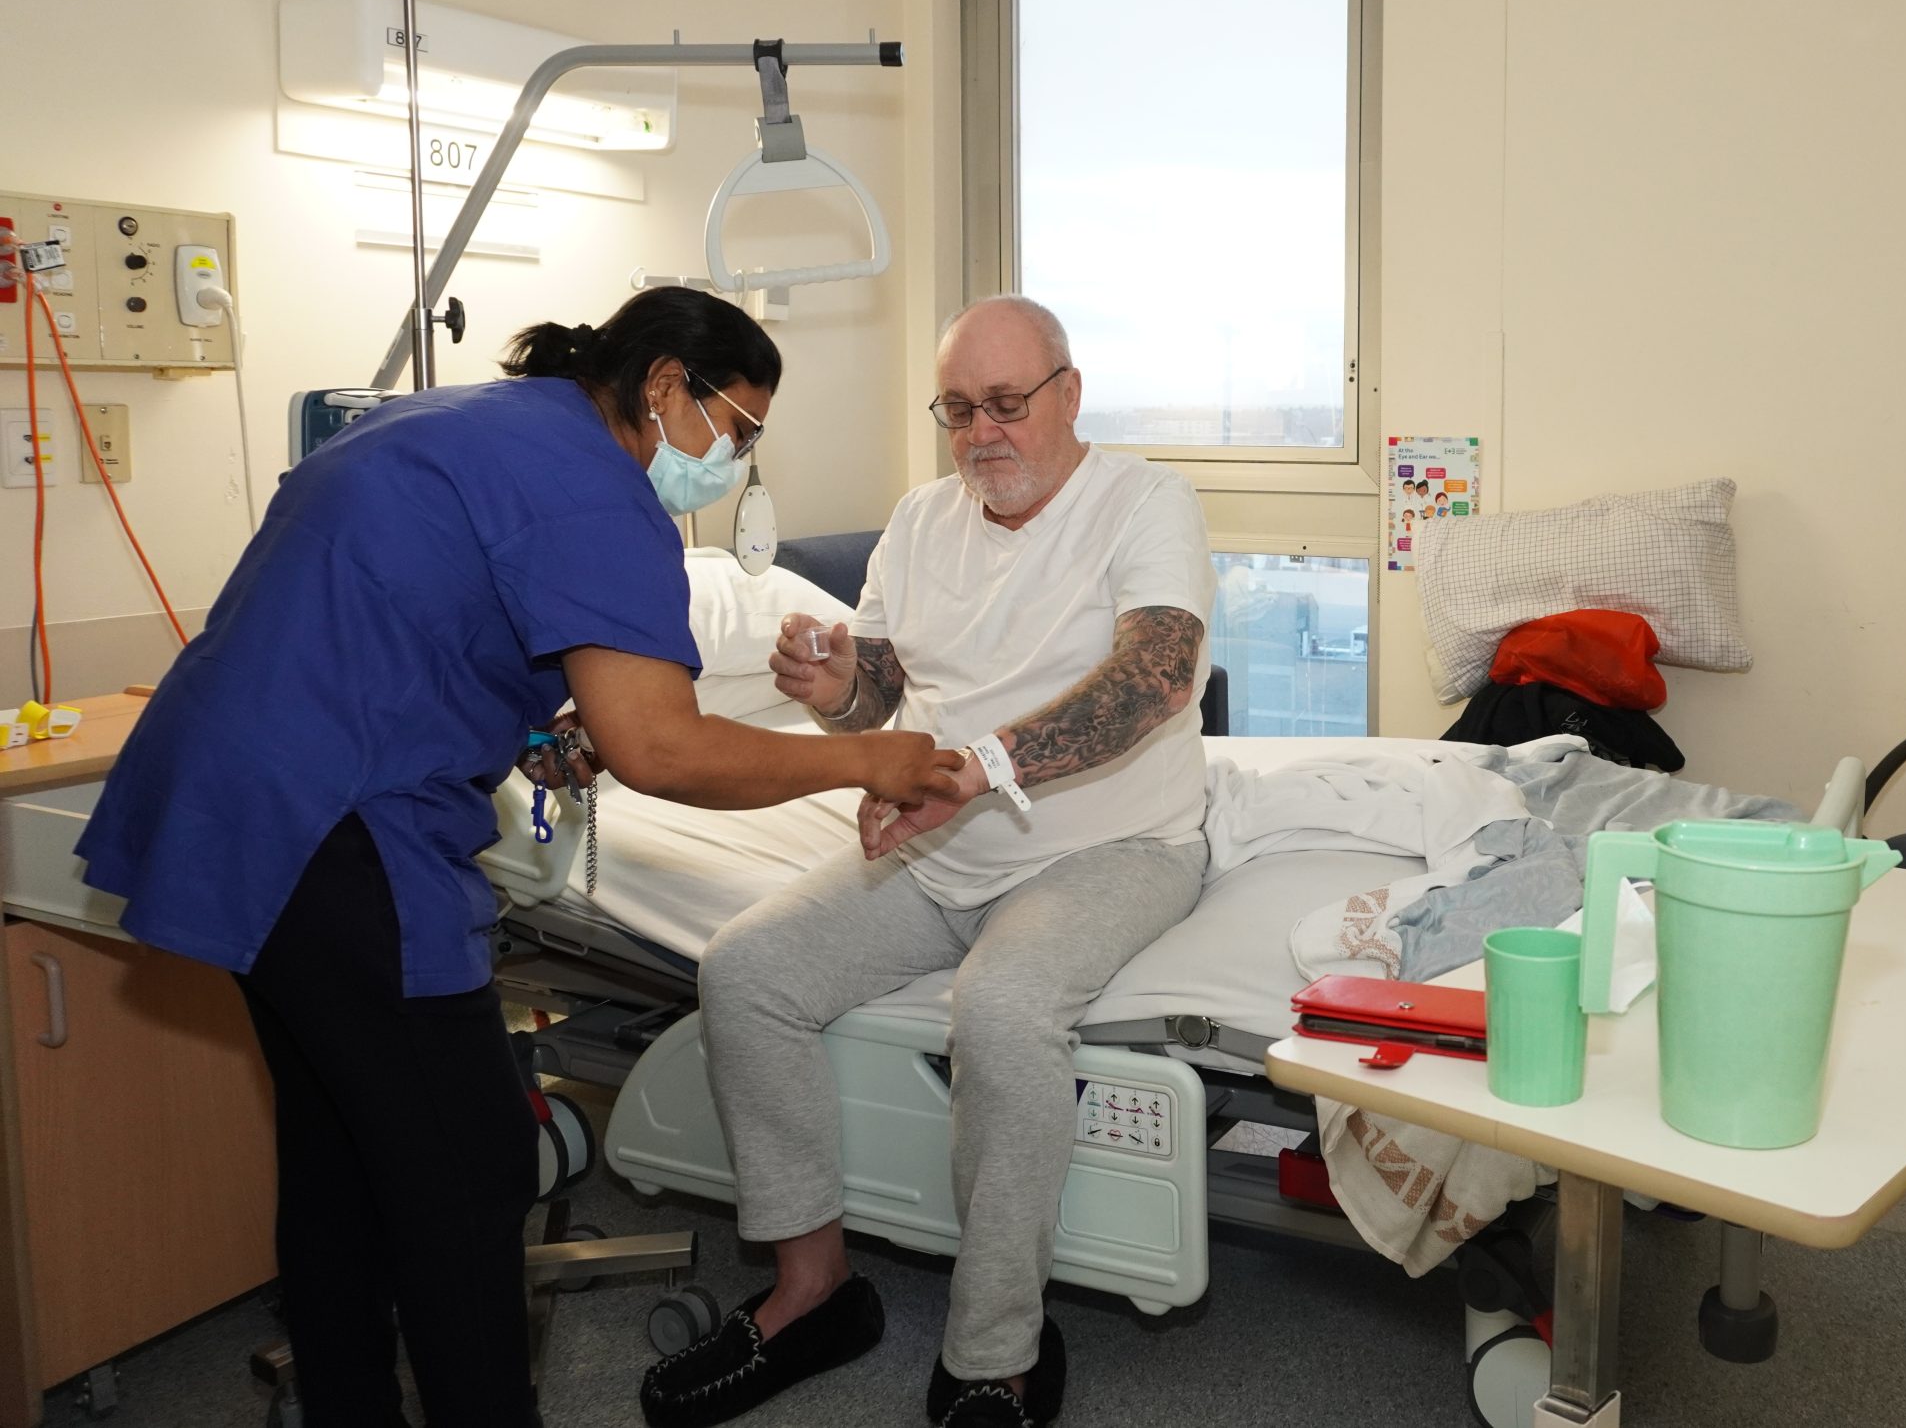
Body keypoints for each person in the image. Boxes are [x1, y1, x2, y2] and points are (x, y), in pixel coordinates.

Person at [75, 287, 966, 1428]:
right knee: (473, 1169)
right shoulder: (592, 491)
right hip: (335, 824)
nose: (734, 462)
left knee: (338, 1150)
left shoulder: (451, 421)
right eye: (736, 432)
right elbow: (662, 747)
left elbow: (425, 618)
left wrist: (544, 728)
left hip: (226, 797)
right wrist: (867, 762)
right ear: (662, 387)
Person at [642, 296, 1213, 1428]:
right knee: (748, 971)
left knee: (999, 1012)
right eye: (958, 409)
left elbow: (1155, 680)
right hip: (939, 851)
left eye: (1006, 404)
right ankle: (813, 1294)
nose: (982, 432)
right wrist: (833, 688)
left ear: (1069, 392)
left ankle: (993, 1352)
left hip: (1111, 846)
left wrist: (978, 767)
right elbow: (888, 689)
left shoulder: (1145, 501)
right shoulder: (921, 519)